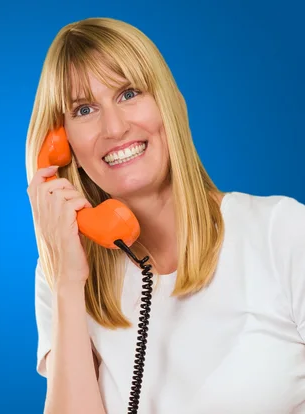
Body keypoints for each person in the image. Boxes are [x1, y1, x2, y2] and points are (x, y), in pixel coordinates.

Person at [24, 17, 305, 414]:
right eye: (84, 109)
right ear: (61, 141)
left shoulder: (283, 233)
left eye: (128, 94)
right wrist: (68, 282)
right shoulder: (63, 271)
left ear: (168, 103)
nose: (115, 127)